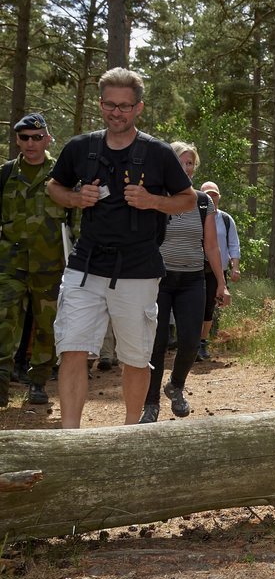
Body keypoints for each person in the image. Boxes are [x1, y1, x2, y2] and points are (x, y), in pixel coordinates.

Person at [47, 68, 197, 428]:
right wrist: (74, 197)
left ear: (139, 108)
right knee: (72, 349)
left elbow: (189, 199)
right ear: (101, 104)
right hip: (85, 265)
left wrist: (152, 201)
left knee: (135, 357)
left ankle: (131, 436)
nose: (117, 113)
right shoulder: (81, 147)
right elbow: (54, 187)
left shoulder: (158, 153)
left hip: (138, 269)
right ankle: (71, 441)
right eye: (110, 105)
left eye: (125, 106)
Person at [140, 143, 228, 423]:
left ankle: (175, 385)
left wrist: (221, 284)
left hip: (193, 279)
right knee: (158, 342)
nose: (187, 168)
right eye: (181, 162)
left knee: (191, 341)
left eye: (191, 163)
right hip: (160, 280)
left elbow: (212, 246)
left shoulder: (204, 201)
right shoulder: (158, 197)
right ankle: (150, 403)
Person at [0, 113, 65, 408]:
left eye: (37, 137)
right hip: (9, 264)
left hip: (50, 265)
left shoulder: (63, 174)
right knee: (3, 321)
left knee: (46, 325)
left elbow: (74, 219)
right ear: (17, 140)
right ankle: (1, 383)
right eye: (24, 137)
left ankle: (38, 382)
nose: (31, 143)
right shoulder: (5, 174)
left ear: (47, 139)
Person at [198, 180, 240, 360]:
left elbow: (234, 245)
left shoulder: (226, 219)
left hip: (217, 270)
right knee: (193, 305)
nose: (210, 197)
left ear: (219, 197)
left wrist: (235, 268)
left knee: (209, 307)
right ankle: (189, 343)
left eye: (214, 194)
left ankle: (202, 343)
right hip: (195, 269)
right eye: (207, 194)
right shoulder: (194, 215)